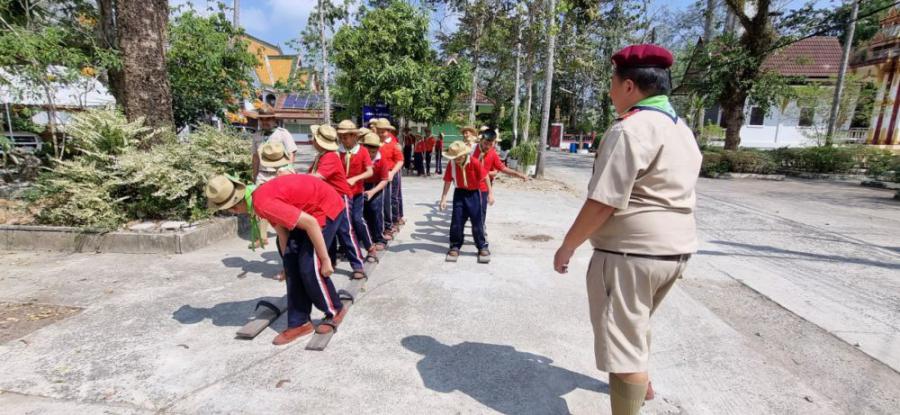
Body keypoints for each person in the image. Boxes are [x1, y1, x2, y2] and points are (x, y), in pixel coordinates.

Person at [552, 44, 701, 415]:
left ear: (630, 86)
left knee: (621, 348)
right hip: (674, 252)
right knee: (634, 324)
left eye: (612, 83)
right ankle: (642, 386)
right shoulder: (680, 128)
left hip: (630, 254)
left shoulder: (631, 129)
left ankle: (631, 393)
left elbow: (604, 201)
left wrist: (568, 246)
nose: (610, 92)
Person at [204, 174, 348, 345]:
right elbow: (282, 233)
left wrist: (325, 260)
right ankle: (300, 323)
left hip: (324, 208)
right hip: (308, 211)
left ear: (234, 208)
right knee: (293, 265)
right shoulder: (257, 200)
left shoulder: (262, 203)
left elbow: (311, 223)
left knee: (309, 267)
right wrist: (287, 264)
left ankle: (335, 310)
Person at [309, 124, 367, 280]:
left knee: (345, 231)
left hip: (340, 198)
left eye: (313, 138)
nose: (311, 140)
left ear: (318, 141)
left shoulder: (330, 157)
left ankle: (358, 265)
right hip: (327, 199)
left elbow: (316, 177)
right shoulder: (321, 156)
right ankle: (331, 261)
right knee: (328, 231)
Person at [439, 141, 494, 262]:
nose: (456, 160)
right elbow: (447, 181)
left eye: (458, 157)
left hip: (474, 194)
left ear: (464, 155)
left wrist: (490, 193)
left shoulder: (474, 162)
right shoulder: (452, 164)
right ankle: (455, 245)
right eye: (454, 158)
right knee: (457, 221)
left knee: (477, 221)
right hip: (459, 193)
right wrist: (443, 198)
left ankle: (482, 246)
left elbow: (485, 177)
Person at [337, 120, 378, 264]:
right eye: (341, 137)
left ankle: (370, 247)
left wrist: (355, 178)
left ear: (354, 136)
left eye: (346, 137)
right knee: (344, 223)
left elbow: (369, 171)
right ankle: (345, 248)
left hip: (357, 192)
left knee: (358, 220)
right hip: (342, 193)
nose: (343, 140)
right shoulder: (337, 151)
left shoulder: (362, 151)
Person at [472, 128, 529, 227]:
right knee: (469, 211)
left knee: (481, 211)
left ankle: (480, 230)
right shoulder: (472, 150)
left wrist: (519, 174)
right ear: (481, 140)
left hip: (484, 188)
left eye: (491, 144)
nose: (487, 146)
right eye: (485, 143)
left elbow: (503, 168)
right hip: (470, 187)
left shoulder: (493, 153)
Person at [373, 119, 405, 238]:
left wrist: (392, 173)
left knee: (390, 200)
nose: (381, 134)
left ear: (388, 131)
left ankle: (391, 223)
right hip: (377, 176)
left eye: (383, 131)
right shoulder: (374, 142)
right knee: (378, 202)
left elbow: (400, 161)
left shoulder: (393, 144)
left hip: (391, 174)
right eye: (379, 131)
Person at [360, 132, 389, 252]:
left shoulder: (381, 160)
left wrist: (372, 191)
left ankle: (379, 238)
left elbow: (385, 180)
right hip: (360, 185)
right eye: (368, 152)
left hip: (376, 186)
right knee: (361, 213)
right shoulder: (359, 157)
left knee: (375, 210)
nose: (371, 155)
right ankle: (364, 236)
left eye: (373, 152)